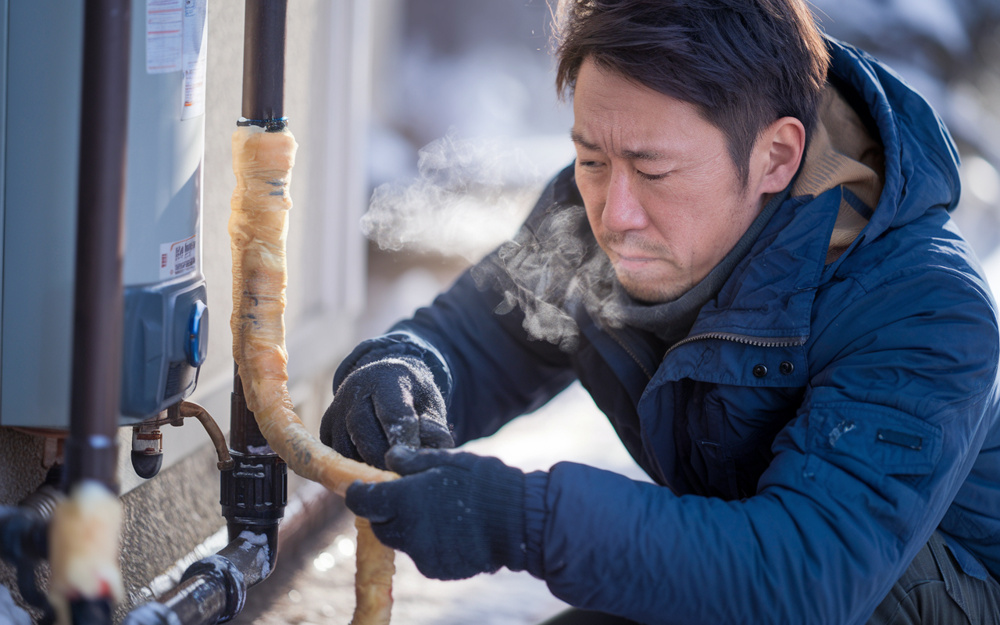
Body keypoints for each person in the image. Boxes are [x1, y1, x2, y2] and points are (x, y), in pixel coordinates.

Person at [320, 1, 1000, 623]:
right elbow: (481, 337)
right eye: (590, 158)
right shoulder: (595, 216)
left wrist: (524, 518)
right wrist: (406, 368)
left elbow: (805, 575)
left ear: (776, 156)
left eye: (653, 171)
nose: (615, 216)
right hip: (746, 566)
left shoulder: (925, 310)